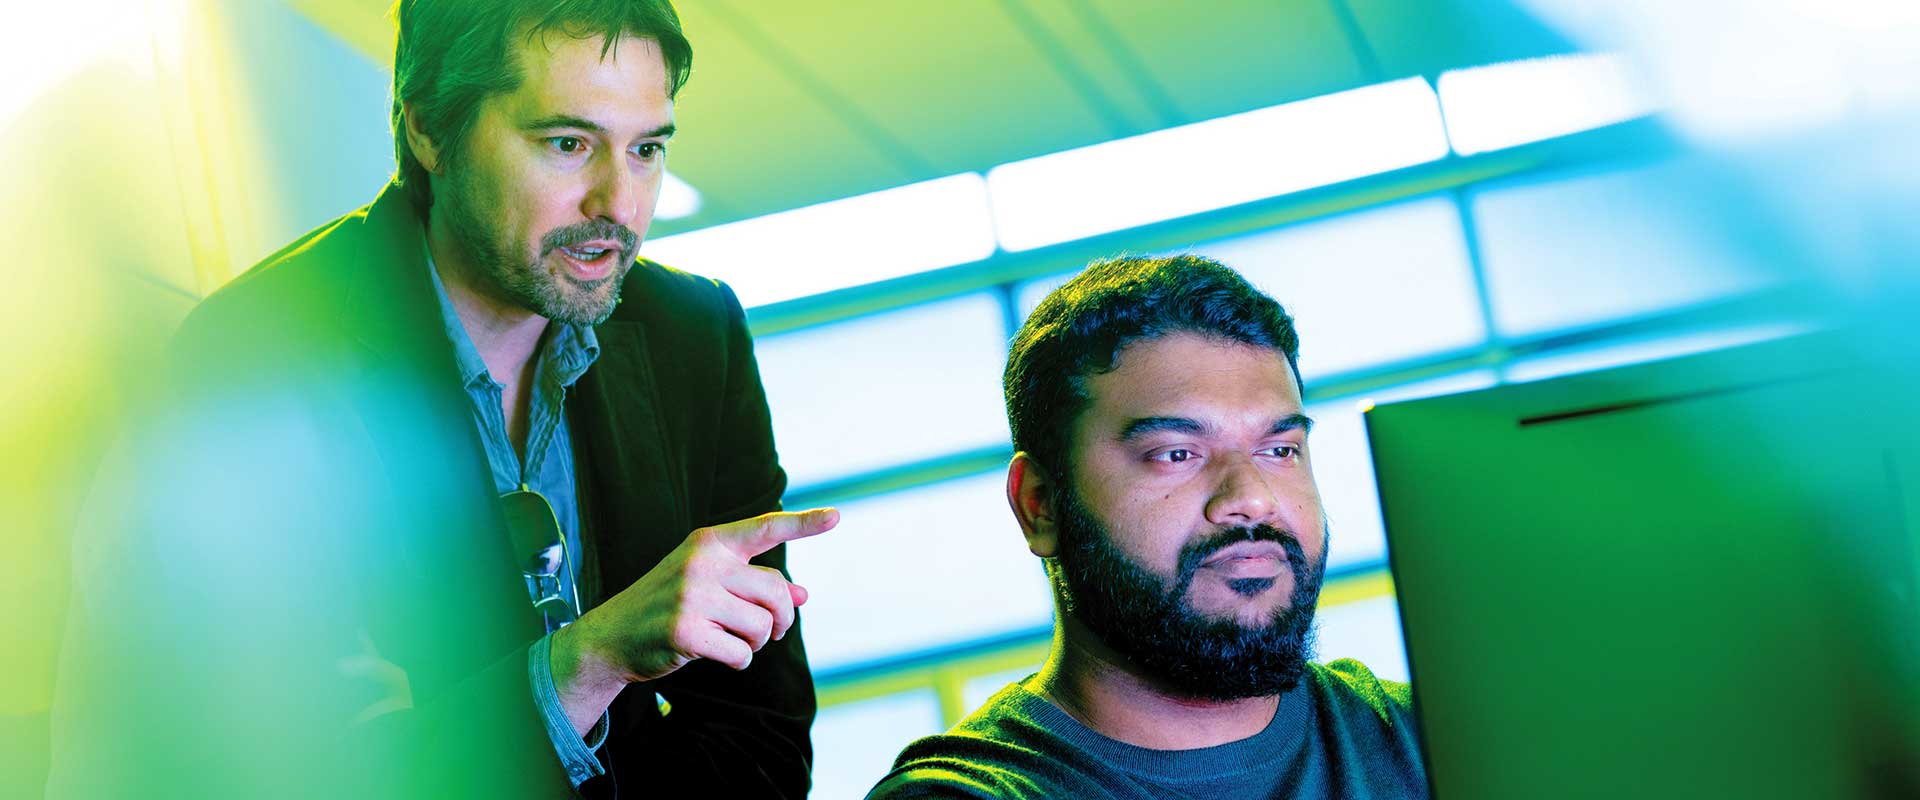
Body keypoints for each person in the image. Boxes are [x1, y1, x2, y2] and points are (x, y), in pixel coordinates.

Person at [46, 2, 830, 798]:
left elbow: (759, 737)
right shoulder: (258, 358)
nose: (619, 205)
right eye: (567, 144)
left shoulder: (690, 334)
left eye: (647, 149)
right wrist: (588, 661)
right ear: (429, 129)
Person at [868, 255, 1427, 799]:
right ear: (1040, 505)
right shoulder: (967, 794)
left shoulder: (1437, 739)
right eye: (1176, 454)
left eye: (1280, 449)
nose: (1252, 498)